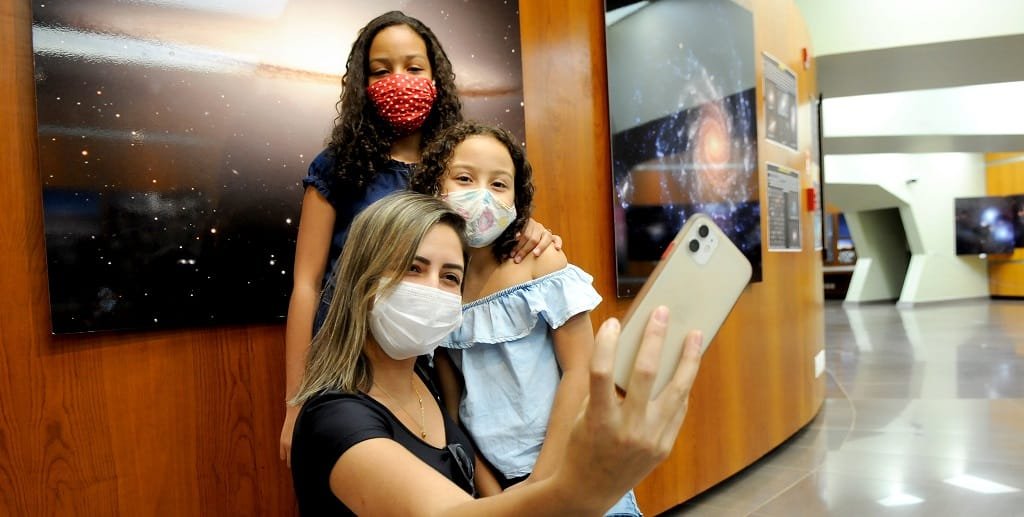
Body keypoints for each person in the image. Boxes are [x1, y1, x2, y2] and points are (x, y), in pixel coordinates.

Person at [289, 191, 705, 516]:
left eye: (450, 277)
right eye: (413, 268)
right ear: (363, 279)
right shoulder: (335, 419)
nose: (433, 288)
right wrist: (586, 485)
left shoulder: (424, 379)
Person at [281, 11, 558, 464]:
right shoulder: (336, 167)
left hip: (435, 357)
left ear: (436, 77)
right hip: (350, 357)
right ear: (363, 84)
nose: (399, 80)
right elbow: (306, 285)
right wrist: (296, 401)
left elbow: (487, 227)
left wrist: (527, 226)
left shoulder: (457, 169)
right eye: (381, 70)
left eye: (413, 67)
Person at [410, 122, 638, 514]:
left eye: (499, 184)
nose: (482, 194)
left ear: (517, 197)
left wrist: (541, 481)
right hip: (501, 485)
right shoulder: (443, 287)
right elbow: (453, 410)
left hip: (571, 467)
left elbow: (581, 371)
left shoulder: (539, 262)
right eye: (464, 178)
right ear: (434, 185)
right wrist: (495, 494)